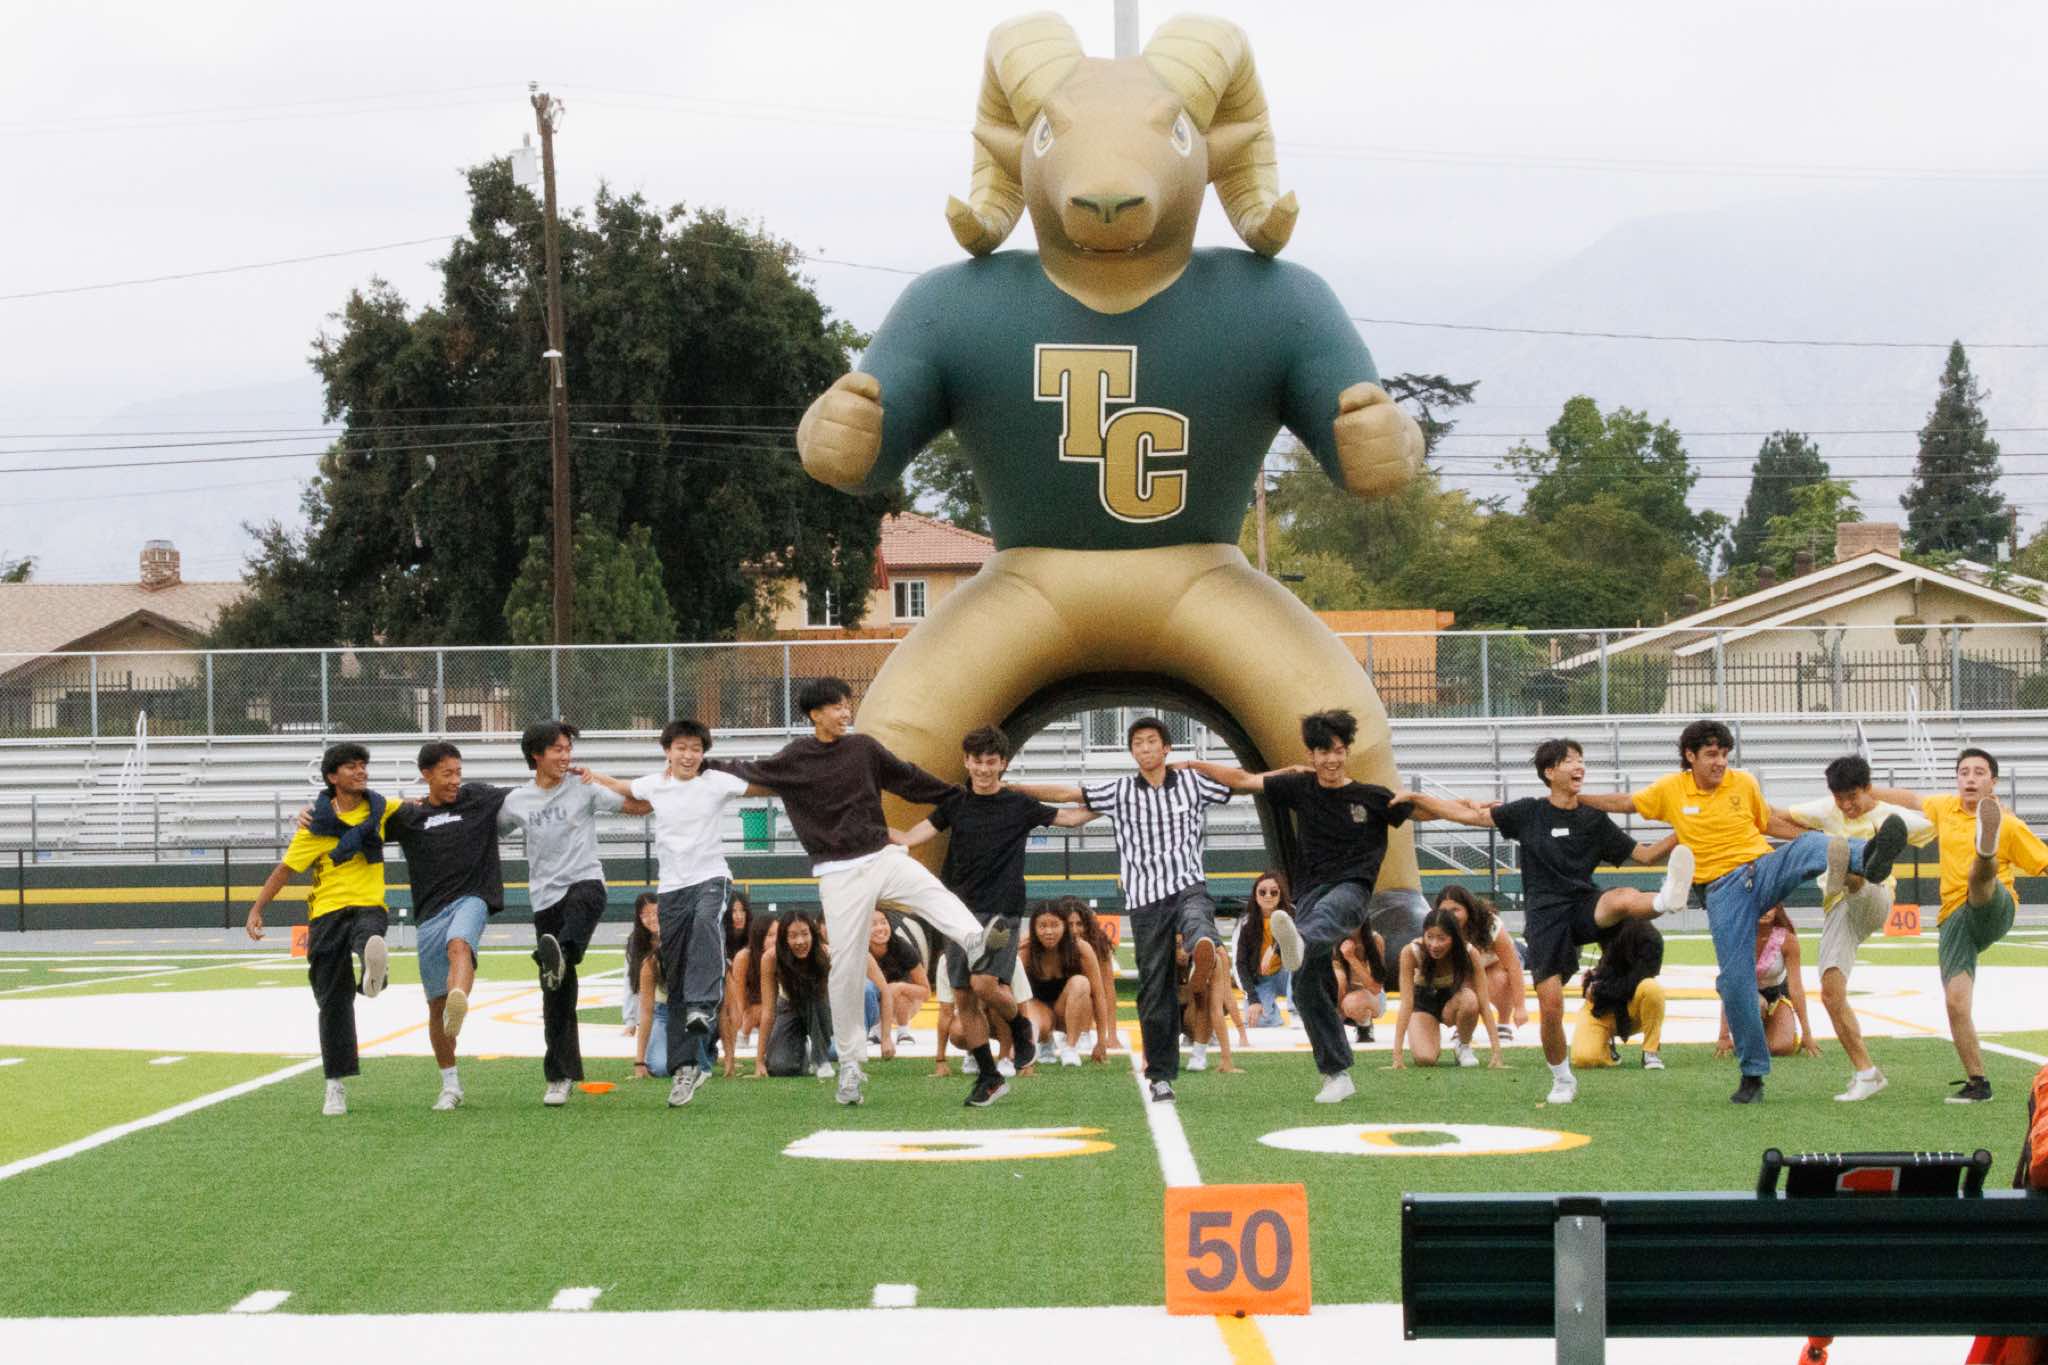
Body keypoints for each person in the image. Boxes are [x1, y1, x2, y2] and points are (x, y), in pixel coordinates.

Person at [1578, 719, 1907, 1105]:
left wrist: (1815, 840)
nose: (1720, 762)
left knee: (1813, 845)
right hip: (1722, 891)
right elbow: (1626, 803)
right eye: (1711, 754)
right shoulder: (1670, 789)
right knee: (1735, 983)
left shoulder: (1744, 782)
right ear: (1690, 756)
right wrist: (1579, 798)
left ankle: (1867, 857)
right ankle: (1753, 1074)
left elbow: (1767, 822)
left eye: (1724, 754)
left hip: (1761, 869)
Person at [706, 677, 999, 1107]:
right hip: (838, 874)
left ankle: (974, 939)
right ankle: (850, 1066)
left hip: (880, 855)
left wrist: (959, 795)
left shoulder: (863, 748)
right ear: (815, 714)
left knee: (931, 890)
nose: (847, 712)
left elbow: (908, 778)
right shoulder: (796, 758)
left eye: (848, 705)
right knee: (844, 968)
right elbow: (748, 771)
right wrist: (697, 764)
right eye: (838, 707)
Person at [1175, 709, 1481, 1103]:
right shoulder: (1300, 786)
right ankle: (1337, 1073)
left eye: (1338, 751)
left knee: (1326, 915)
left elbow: (1425, 810)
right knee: (1305, 987)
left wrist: (1476, 814)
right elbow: (1244, 780)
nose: (1332, 760)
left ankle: (1294, 942)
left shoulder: (1371, 797)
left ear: (1346, 751)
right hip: (1309, 896)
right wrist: (1192, 765)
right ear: (1312, 754)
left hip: (1351, 892)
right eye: (1323, 752)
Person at [1427, 739, 1686, 1105]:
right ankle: (1562, 1079)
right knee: (1551, 1006)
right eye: (1569, 761)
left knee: (1621, 897)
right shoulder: (1529, 812)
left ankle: (1665, 898)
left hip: (1583, 905)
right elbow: (1471, 817)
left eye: (1581, 760)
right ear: (1549, 772)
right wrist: (1418, 800)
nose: (1579, 766)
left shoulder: (1593, 818)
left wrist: (1684, 831)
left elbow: (1644, 856)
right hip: (1545, 917)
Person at [1012, 716, 1229, 1104]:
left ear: (1167, 748)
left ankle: (1202, 951)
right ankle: (1160, 1076)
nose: (1145, 748)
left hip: (1186, 882)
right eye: (1137, 743)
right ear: (1132, 752)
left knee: (1197, 912)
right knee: (1154, 987)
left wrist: (1198, 764)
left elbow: (1241, 782)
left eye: (1152, 741)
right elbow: (1067, 796)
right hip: (1145, 898)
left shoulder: (1193, 782)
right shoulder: (1121, 790)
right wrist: (1012, 788)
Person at [895, 723, 1102, 1104]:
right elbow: (910, 838)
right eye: (977, 761)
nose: (983, 769)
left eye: (991, 762)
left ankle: (1021, 1028)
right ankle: (989, 1076)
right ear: (966, 761)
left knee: (984, 985)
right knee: (964, 997)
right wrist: (866, 832)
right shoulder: (956, 803)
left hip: (1001, 910)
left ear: (1003, 763)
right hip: (955, 911)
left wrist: (1117, 800)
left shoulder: (1018, 805)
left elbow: (1071, 818)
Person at [579, 720, 749, 1108]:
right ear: (668, 751)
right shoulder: (655, 785)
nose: (689, 755)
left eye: (696, 749)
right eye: (681, 748)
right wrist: (591, 776)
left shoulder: (716, 782)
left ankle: (703, 1006)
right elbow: (622, 788)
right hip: (672, 888)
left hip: (711, 877)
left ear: (704, 754)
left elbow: (760, 785)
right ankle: (687, 1069)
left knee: (706, 924)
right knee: (675, 973)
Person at [1870, 748, 2048, 1103]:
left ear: (1992, 782)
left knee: (1980, 875)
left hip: (1995, 907)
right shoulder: (1944, 808)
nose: (1970, 778)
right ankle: (1978, 1082)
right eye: (1964, 772)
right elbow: (1911, 799)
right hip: (1954, 918)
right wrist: (1868, 790)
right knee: (1955, 1002)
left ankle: (1986, 850)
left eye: (1979, 772)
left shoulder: (2010, 824)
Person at [498, 720, 651, 1108]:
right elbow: (491, 831)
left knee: (585, 902)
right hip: (544, 898)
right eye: (558, 749)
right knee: (557, 993)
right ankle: (559, 1076)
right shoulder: (517, 801)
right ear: (537, 755)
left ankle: (559, 953)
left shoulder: (583, 787)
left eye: (568, 749)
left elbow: (637, 806)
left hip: (584, 881)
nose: (566, 756)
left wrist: (621, 784)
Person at [245, 743, 396, 1117]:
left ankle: (373, 969)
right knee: (332, 999)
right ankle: (335, 1084)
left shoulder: (381, 809)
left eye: (363, 765)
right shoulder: (315, 825)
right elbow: (285, 870)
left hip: (368, 904)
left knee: (369, 935)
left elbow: (422, 808)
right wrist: (257, 909)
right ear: (332, 776)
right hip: (326, 912)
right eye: (351, 766)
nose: (361, 771)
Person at [1775, 754, 1934, 1101]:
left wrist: (1998, 815)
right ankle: (1867, 1073)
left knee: (1863, 877)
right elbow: (1777, 816)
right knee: (1831, 994)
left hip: (1876, 897)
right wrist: (1805, 838)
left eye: (1853, 797)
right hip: (1838, 908)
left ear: (1867, 789)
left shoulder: (1894, 817)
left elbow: (1948, 823)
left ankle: (1859, 866)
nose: (1847, 806)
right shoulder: (1825, 810)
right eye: (1840, 799)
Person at [383, 740, 512, 1112]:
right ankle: (450, 1084)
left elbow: (529, 794)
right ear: (426, 775)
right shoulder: (409, 816)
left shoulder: (479, 798)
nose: (456, 780)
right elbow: (359, 819)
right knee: (436, 1007)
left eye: (458, 772)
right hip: (429, 914)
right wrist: (315, 811)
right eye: (447, 774)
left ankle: (461, 998)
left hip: (473, 897)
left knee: (460, 944)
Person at [1389, 906, 1501, 1070]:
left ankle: (1463, 1046)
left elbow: (1484, 1003)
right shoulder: (1411, 952)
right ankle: (1430, 1039)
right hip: (1423, 1003)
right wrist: (1397, 1055)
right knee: (1425, 1059)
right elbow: (1406, 1003)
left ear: (1454, 937)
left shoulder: (1469, 953)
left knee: (1471, 999)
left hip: (1452, 1001)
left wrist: (1496, 1051)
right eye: (1430, 937)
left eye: (1442, 938)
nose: (1434, 945)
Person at [1716, 906, 1819, 1062]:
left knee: (1780, 1048)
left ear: (1777, 909)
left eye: (1770, 905)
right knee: (1757, 1006)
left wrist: (1807, 1033)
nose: (1765, 910)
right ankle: (1748, 1034)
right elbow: (1729, 986)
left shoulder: (1787, 940)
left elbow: (1796, 988)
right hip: (1745, 996)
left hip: (1777, 995)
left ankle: (1768, 1031)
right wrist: (1723, 1035)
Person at [1018, 902, 1108, 1076]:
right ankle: (1042, 1042)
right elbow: (1014, 994)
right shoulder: (1027, 948)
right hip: (1038, 1009)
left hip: (1069, 1011)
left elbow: (1099, 995)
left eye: (1055, 925)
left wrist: (1102, 1041)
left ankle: (1070, 1047)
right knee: (1032, 1018)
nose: (1049, 931)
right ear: (1034, 928)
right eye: (1042, 926)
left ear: (1064, 926)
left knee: (1081, 982)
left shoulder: (1080, 948)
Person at [1569, 918, 1667, 1071]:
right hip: (1602, 1008)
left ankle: (1650, 1051)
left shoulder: (1650, 939)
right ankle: (1607, 1049)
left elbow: (1632, 983)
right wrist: (1593, 980)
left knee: (1651, 989)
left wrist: (1597, 989)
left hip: (1629, 1006)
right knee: (1584, 1058)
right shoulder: (1606, 925)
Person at [1434, 885, 1528, 1042]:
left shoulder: (1489, 923)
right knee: (1465, 986)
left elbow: (1513, 965)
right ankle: (1463, 1026)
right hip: (1468, 967)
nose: (1450, 916)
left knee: (1499, 980)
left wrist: (1520, 1007)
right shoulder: (1436, 927)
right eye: (1445, 911)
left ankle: (1503, 1023)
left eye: (1455, 910)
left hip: (1499, 961)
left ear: (1468, 909)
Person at [755, 909, 836, 1079]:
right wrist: (759, 1061)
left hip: (821, 1009)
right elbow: (768, 1011)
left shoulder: (826, 954)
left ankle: (820, 1059)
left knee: (812, 995)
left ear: (813, 934)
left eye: (805, 934)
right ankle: (804, 1052)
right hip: (788, 1007)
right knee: (780, 1067)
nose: (800, 941)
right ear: (784, 938)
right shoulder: (771, 958)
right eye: (793, 936)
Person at [720, 912, 778, 1077]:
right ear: (759, 937)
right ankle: (741, 1040)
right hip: (750, 1013)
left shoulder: (782, 955)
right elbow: (738, 1002)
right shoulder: (744, 957)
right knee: (757, 1011)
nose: (775, 940)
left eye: (778, 935)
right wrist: (745, 1022)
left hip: (775, 1010)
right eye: (770, 935)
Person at [626, 893, 677, 1080]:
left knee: (696, 1064)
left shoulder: (678, 937)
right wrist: (630, 1020)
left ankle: (707, 1049)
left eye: (655, 912)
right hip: (661, 1011)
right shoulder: (638, 945)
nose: (651, 918)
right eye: (644, 914)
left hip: (685, 1009)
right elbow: (632, 987)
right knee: (661, 1067)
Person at [1062, 900, 1121, 1057]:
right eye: (1069, 924)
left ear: (1087, 925)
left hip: (1085, 1001)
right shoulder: (1052, 941)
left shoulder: (1098, 943)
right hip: (1059, 1003)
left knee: (1084, 986)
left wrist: (1111, 1035)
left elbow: (1108, 990)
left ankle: (1084, 1033)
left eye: (1079, 924)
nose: (1074, 930)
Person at [1235, 872, 1293, 1029]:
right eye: (1262, 892)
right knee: (1258, 1020)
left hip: (1287, 974)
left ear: (1281, 894)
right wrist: (1253, 999)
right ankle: (1271, 1015)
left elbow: (1298, 943)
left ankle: (1297, 1011)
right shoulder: (1245, 924)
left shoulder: (1293, 914)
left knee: (1299, 960)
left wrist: (1273, 949)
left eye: (1274, 892)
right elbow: (1240, 964)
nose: (1268, 896)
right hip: (1261, 978)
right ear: (1255, 895)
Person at [865, 909, 930, 1048]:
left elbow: (926, 993)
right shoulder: (859, 951)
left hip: (903, 1004)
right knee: (867, 989)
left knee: (900, 993)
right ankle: (875, 1031)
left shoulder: (902, 948)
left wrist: (899, 987)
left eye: (884, 922)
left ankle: (903, 1031)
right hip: (874, 1001)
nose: (880, 928)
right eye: (873, 924)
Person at [1337, 921, 1389, 1043]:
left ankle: (1364, 1025)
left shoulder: (1375, 940)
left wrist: (1350, 957)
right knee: (1338, 980)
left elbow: (1375, 988)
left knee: (1353, 1002)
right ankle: (1334, 1026)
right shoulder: (1331, 939)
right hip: (1342, 996)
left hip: (1371, 997)